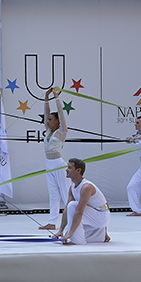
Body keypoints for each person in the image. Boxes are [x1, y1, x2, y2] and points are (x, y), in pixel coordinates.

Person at [53, 158, 111, 245]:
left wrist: (70, 234)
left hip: (102, 217)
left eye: (69, 167)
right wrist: (60, 230)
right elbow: (66, 210)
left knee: (73, 206)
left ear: (78, 170)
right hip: (94, 216)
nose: (66, 170)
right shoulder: (72, 188)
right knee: (70, 208)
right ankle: (101, 235)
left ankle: (77, 241)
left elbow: (79, 212)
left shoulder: (86, 187)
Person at [39, 87, 70, 231]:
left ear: (57, 122)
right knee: (53, 195)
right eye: (48, 120)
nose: (48, 121)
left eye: (51, 120)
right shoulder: (48, 131)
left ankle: (72, 219)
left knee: (66, 194)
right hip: (49, 165)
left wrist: (56, 97)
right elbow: (46, 113)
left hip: (59, 165)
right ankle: (52, 222)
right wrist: (46, 97)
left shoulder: (61, 131)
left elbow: (62, 115)